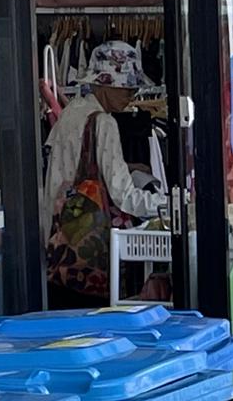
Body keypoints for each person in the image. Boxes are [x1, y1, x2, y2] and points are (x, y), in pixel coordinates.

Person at [42, 40, 166, 309]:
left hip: (59, 245)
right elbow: (124, 197)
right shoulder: (104, 122)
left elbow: (77, 170)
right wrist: (167, 206)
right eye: (126, 87)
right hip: (89, 254)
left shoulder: (71, 113)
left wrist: (128, 167)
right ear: (105, 84)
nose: (131, 94)